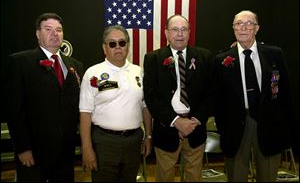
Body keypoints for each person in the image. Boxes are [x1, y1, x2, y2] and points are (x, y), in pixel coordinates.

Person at [213, 10, 293, 182]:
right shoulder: (221, 59)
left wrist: (285, 126)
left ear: (257, 28)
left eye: (248, 23)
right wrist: (223, 128)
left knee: (268, 176)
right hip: (235, 128)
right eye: (238, 24)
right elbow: (217, 100)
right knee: (236, 176)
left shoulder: (274, 54)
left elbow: (285, 93)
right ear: (233, 28)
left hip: (269, 125)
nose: (243, 27)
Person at [6, 12, 84, 182]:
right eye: (48, 29)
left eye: (59, 30)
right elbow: (14, 110)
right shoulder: (20, 62)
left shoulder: (75, 65)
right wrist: (23, 148)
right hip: (34, 152)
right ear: (37, 33)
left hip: (66, 152)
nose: (54, 33)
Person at [143, 14, 214, 182]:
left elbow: (211, 93)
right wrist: (176, 121)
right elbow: (151, 97)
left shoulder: (204, 57)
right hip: (166, 128)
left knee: (194, 176)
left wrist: (194, 121)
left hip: (195, 128)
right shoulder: (153, 59)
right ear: (166, 33)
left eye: (184, 29)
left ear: (189, 32)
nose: (180, 34)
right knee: (164, 176)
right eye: (175, 30)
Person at [79, 25, 152, 182]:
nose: (118, 47)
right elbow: (85, 112)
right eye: (112, 44)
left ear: (128, 45)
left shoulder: (138, 71)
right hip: (104, 143)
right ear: (105, 48)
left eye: (122, 43)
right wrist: (86, 147)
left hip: (133, 141)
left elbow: (146, 106)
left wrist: (149, 136)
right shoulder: (93, 73)